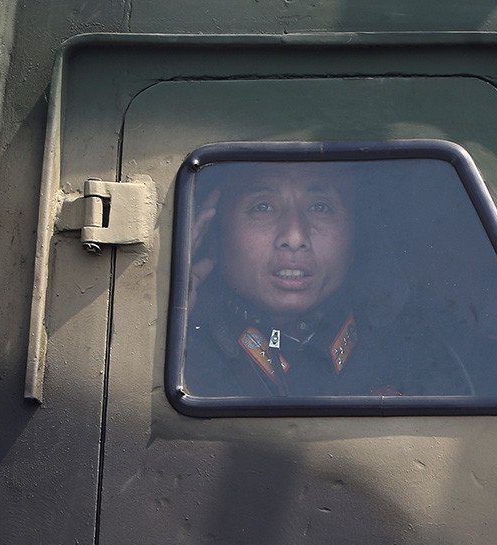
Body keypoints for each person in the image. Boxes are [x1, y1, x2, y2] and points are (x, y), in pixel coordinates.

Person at [184, 162, 472, 398]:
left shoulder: (415, 357)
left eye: (320, 207)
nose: (294, 237)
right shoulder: (181, 349)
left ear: (354, 236)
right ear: (214, 232)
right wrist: (174, 306)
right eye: (263, 207)